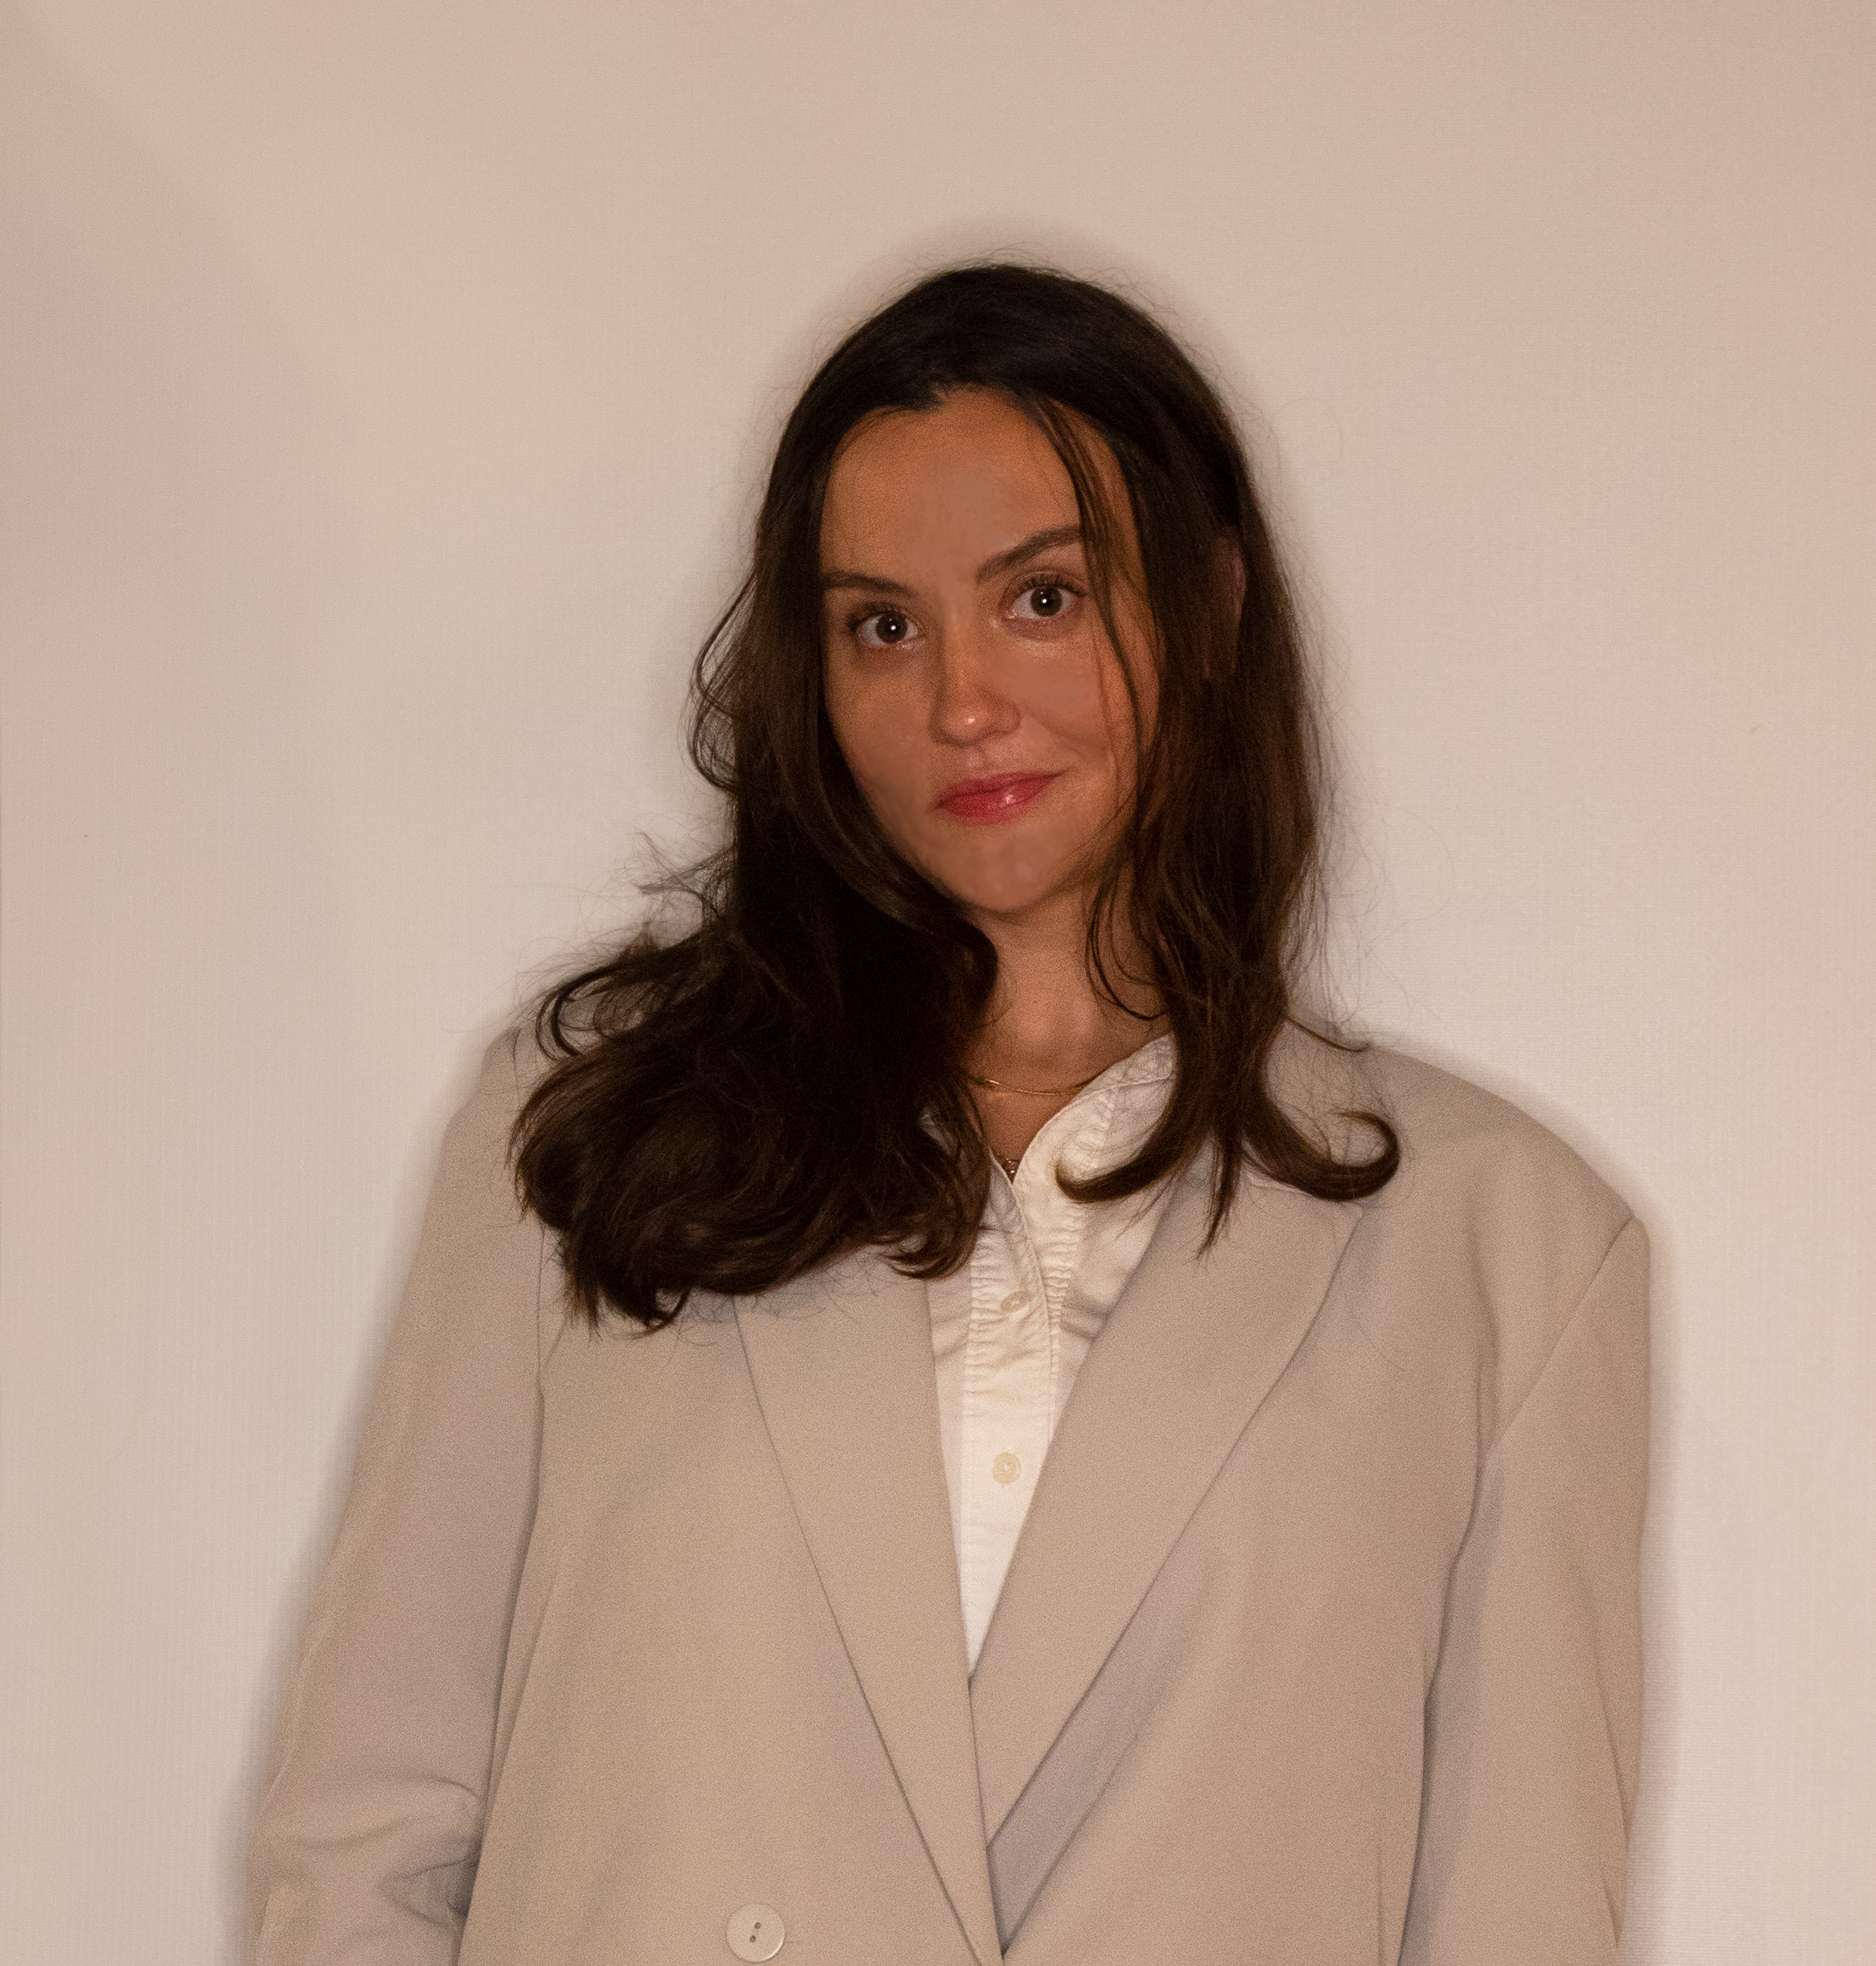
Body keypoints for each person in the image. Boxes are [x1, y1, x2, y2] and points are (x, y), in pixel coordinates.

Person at [250, 264, 1648, 1966]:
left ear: (1207, 604)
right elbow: (372, 1830)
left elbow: (1520, 1927)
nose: (962, 703)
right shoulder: (590, 1134)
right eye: (883, 626)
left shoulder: (1503, 1252)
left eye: (1041, 598)